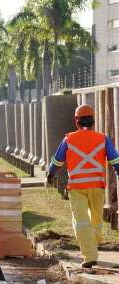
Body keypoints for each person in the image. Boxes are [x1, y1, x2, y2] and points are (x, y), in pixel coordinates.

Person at [47, 104, 119, 268]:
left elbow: (57, 160)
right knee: (95, 219)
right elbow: (115, 160)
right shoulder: (102, 138)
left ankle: (89, 255)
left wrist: (50, 175)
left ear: (76, 121)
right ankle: (95, 239)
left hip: (77, 188)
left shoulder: (69, 139)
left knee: (81, 222)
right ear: (93, 121)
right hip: (97, 187)